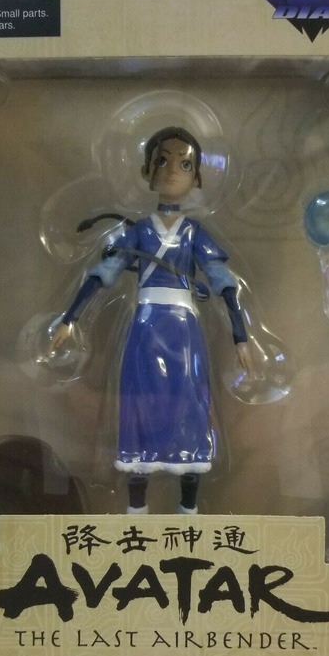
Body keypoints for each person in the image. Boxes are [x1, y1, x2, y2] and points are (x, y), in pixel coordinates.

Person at [49, 126, 252, 514]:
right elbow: (105, 273)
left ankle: (188, 512)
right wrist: (69, 319)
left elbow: (223, 282)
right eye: (162, 160)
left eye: (185, 164)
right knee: (140, 406)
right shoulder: (140, 231)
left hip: (184, 333)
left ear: (197, 176)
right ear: (147, 170)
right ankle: (136, 513)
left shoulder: (193, 232)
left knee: (189, 407)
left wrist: (240, 337)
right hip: (146, 328)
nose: (173, 170)